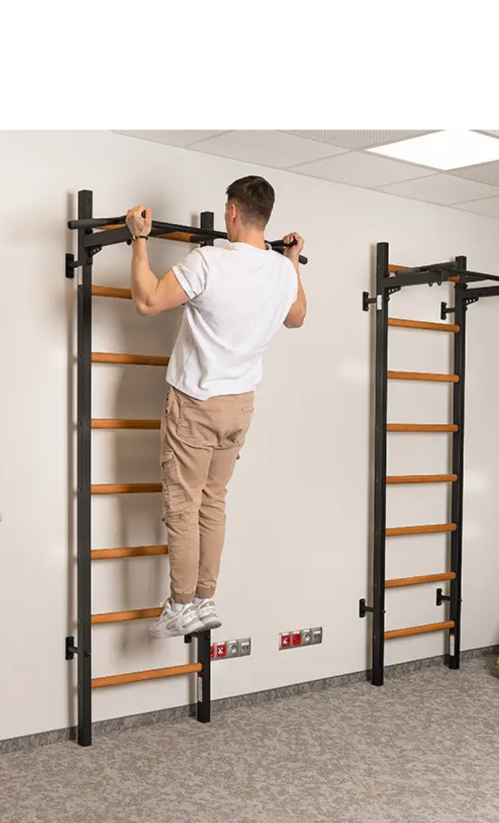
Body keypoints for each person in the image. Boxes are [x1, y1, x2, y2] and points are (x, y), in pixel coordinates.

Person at [125, 175, 306, 639]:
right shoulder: (282, 270)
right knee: (213, 503)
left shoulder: (209, 262)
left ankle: (181, 605)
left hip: (196, 402)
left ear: (231, 211)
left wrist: (139, 241)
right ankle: (205, 598)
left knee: (184, 506)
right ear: (264, 217)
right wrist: (289, 260)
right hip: (239, 407)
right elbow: (297, 317)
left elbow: (147, 302)